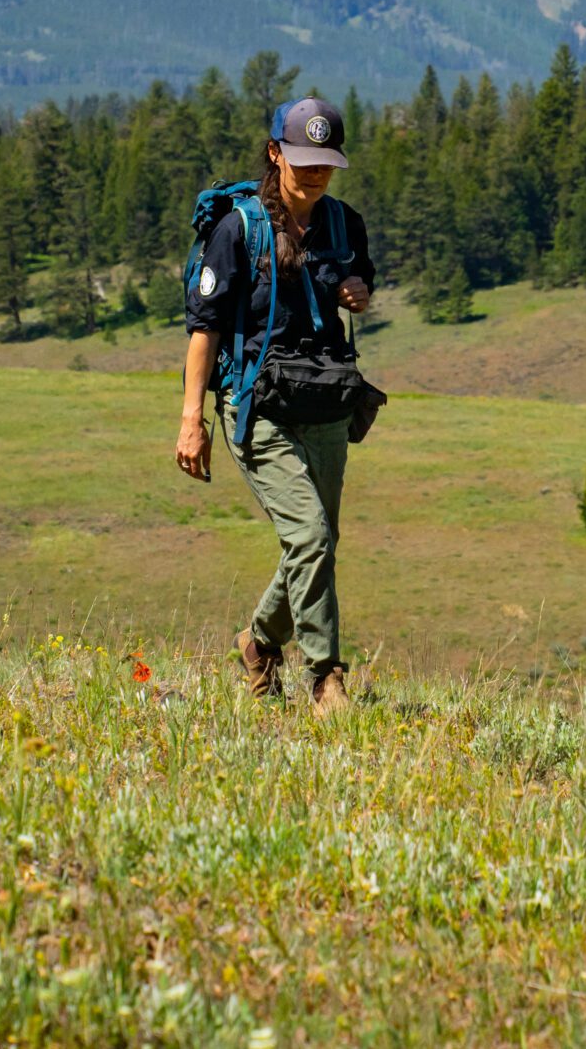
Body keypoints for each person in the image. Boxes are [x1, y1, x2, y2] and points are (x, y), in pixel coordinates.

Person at [176, 96, 375, 715]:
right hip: (256, 406)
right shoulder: (238, 229)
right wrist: (193, 421)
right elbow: (204, 329)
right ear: (275, 153)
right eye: (303, 159)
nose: (315, 172)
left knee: (318, 541)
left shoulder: (346, 225)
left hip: (325, 404)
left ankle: (258, 644)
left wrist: (359, 293)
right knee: (310, 536)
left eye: (326, 161)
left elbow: (361, 285)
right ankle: (325, 678)